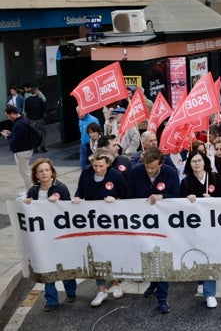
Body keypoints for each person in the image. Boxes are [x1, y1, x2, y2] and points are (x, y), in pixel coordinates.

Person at [72, 149, 128, 307]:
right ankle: (101, 289)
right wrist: (77, 197)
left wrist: (116, 199)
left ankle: (116, 283)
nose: (97, 169)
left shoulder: (116, 176)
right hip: (92, 221)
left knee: (112, 252)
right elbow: (80, 190)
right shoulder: (86, 173)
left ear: (108, 164)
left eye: (101, 166)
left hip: (111, 221)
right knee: (96, 254)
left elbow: (126, 196)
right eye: (95, 165)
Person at [127, 148, 180, 313]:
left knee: (161, 258)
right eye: (147, 167)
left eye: (153, 168)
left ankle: (162, 299)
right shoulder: (136, 171)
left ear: (161, 164)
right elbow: (129, 196)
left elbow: (178, 196)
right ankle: (153, 283)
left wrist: (162, 196)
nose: (149, 170)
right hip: (142, 222)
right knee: (148, 257)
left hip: (163, 224)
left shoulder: (170, 173)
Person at [24, 158, 77, 311]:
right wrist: (27, 204)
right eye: (40, 171)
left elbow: (67, 211)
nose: (44, 173)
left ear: (52, 172)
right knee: (48, 266)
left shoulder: (61, 188)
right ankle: (51, 300)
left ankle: (71, 291)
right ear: (36, 175)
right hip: (42, 237)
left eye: (47, 170)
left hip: (60, 235)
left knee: (64, 264)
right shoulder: (33, 190)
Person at [180, 150, 221, 308]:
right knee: (198, 255)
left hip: (213, 226)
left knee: (210, 256)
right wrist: (186, 200)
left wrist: (213, 200)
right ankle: (201, 279)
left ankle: (210, 293)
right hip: (194, 228)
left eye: (199, 160)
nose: (196, 164)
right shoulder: (186, 182)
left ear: (205, 162)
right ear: (189, 164)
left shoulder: (215, 178)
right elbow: (178, 207)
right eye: (193, 161)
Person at [2, 105, 33, 189]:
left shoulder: (18, 125)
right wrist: (11, 134)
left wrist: (6, 136)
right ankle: (29, 191)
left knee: (24, 173)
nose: (8, 118)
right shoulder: (24, 120)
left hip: (22, 152)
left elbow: (14, 142)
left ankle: (29, 193)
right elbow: (20, 137)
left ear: (12, 113)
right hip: (27, 149)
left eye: (8, 116)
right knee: (25, 173)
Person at [23, 85, 47, 153]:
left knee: (33, 133)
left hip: (30, 119)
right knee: (43, 132)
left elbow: (26, 110)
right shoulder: (39, 100)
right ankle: (42, 146)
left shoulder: (27, 100)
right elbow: (44, 108)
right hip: (39, 119)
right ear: (36, 92)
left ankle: (35, 147)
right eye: (38, 91)